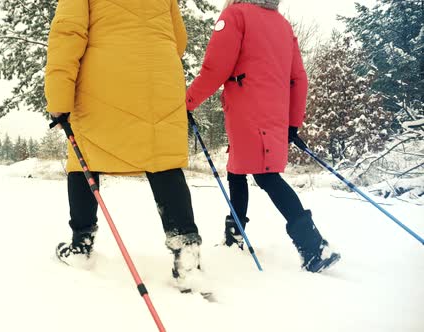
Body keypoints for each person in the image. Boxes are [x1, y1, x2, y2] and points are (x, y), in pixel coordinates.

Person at [44, 0, 205, 291]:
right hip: (160, 77)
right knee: (163, 160)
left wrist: (58, 100)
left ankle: (81, 246)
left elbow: (68, 35)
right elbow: (178, 39)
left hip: (104, 78)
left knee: (83, 158)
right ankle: (188, 256)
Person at [185, 0, 340, 272]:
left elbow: (215, 69)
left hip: (246, 110)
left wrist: (185, 102)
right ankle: (236, 236)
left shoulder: (235, 14)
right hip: (276, 115)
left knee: (265, 175)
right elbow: (298, 78)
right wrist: (293, 123)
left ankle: (313, 246)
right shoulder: (282, 24)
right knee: (239, 168)